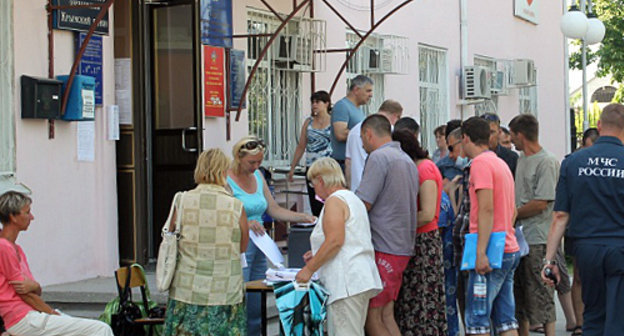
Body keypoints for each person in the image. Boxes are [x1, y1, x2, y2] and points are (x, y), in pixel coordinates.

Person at [542, 103, 624, 335]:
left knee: (593, 316)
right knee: (619, 318)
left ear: (599, 126)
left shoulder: (573, 162)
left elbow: (559, 215)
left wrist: (549, 261)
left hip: (587, 252)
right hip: (619, 248)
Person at [227, 136, 315, 336]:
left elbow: (273, 208)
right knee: (241, 291)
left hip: (260, 241)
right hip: (240, 240)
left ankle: (255, 331)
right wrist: (245, 222)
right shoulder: (227, 179)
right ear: (239, 158)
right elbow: (223, 212)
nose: (256, 166)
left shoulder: (258, 176)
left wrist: (301, 217)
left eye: (259, 162)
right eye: (252, 162)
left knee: (258, 293)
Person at [0, 191, 113, 336]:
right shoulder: (4, 247)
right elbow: (25, 294)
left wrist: (35, 286)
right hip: (22, 318)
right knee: (100, 329)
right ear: (13, 217)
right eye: (27, 212)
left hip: (31, 314)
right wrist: (50, 312)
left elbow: (34, 290)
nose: (32, 217)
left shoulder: (17, 249)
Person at [165, 149, 249, 335]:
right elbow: (242, 246)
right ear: (224, 171)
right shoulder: (235, 206)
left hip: (187, 288)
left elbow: (170, 237)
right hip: (225, 289)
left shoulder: (182, 200)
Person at [295, 157, 382, 336]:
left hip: (346, 281)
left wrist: (309, 268)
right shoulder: (352, 198)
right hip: (358, 277)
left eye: (313, 184)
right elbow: (349, 238)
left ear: (320, 180)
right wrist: (318, 253)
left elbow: (335, 240)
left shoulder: (334, 201)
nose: (314, 190)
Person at [355, 115, 419, 336]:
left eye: (362, 139)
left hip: (383, 245)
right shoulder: (406, 160)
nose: (362, 145)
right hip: (401, 245)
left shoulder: (379, 158)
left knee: (372, 317)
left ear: (368, 134)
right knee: (386, 314)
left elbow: (363, 202)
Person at [460, 117, 520, 336]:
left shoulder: (480, 164)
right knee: (505, 320)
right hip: (508, 245)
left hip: (489, 250)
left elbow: (486, 209)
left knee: (477, 320)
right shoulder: (500, 163)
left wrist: (481, 252)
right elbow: (512, 210)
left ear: (466, 138)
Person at [391, 129, 447, 335]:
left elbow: (427, 213)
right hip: (417, 239)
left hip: (424, 241)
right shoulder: (417, 168)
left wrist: (397, 226)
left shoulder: (424, 170)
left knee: (422, 296)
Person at [508, 114, 559, 336]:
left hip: (538, 237)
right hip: (520, 237)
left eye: (512, 135)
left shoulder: (546, 161)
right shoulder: (521, 159)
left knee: (542, 292)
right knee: (520, 293)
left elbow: (541, 202)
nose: (510, 141)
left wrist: (515, 213)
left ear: (521, 135)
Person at [288, 90, 333, 216]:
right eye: (312, 102)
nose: (314, 105)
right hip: (312, 168)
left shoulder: (333, 121)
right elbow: (301, 146)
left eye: (317, 102)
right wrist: (293, 167)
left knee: (329, 200)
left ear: (326, 103)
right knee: (315, 201)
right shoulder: (308, 122)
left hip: (328, 167)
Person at [345, 99, 403, 191]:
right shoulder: (391, 131)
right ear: (396, 116)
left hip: (356, 188)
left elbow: (348, 162)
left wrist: (350, 187)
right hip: (378, 188)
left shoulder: (353, 130)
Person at [330, 75, 373, 170]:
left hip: (356, 162)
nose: (371, 95)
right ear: (356, 90)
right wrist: (367, 136)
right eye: (368, 91)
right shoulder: (342, 106)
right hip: (343, 164)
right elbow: (340, 134)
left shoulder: (359, 108)